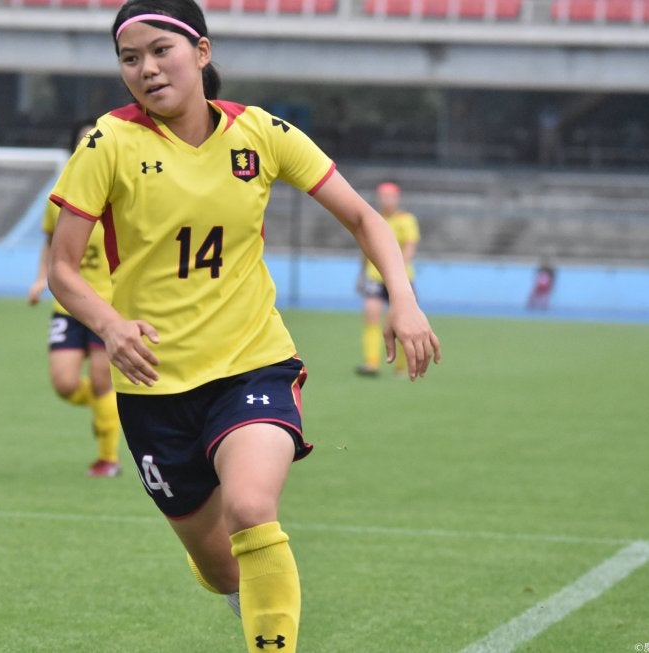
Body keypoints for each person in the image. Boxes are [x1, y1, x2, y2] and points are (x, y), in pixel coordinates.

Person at [46, 1, 441, 651]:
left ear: (202, 53)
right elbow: (63, 268)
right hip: (154, 386)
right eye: (130, 58)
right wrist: (110, 324)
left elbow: (364, 217)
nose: (147, 68)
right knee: (221, 568)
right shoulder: (107, 142)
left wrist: (404, 298)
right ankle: (239, 586)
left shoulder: (261, 133)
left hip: (252, 365)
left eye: (161, 51)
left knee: (252, 509)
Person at [28, 119, 122, 478]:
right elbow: (51, 244)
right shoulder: (60, 199)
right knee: (65, 384)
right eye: (84, 142)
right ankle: (109, 409)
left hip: (107, 305)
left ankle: (108, 459)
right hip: (67, 304)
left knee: (101, 380)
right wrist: (40, 279)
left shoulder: (121, 193)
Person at [356, 181, 421, 378]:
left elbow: (409, 246)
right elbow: (366, 248)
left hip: (400, 279)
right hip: (375, 276)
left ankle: (402, 366)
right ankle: (372, 363)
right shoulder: (373, 219)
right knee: (371, 314)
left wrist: (398, 271)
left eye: (390, 196)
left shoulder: (406, 219)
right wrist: (361, 273)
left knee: (402, 322)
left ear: (397, 198)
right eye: (383, 196)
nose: (386, 200)